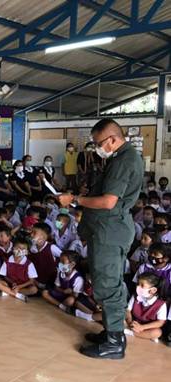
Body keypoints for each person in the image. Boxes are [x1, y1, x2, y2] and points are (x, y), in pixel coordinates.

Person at [58, 118, 143, 360]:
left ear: (112, 139)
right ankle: (110, 332)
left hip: (110, 230)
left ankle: (114, 343)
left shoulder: (124, 160)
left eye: (98, 143)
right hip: (106, 229)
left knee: (108, 285)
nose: (96, 148)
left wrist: (75, 199)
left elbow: (108, 202)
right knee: (106, 281)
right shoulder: (120, 157)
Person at [125, 272, 167, 342]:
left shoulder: (161, 304)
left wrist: (142, 327)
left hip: (148, 327)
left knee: (158, 332)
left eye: (142, 285)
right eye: (138, 284)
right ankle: (143, 334)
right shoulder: (135, 296)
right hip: (134, 323)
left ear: (153, 290)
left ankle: (131, 333)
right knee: (120, 318)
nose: (138, 287)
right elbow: (127, 310)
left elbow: (160, 322)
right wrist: (130, 323)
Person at [0, 237, 38, 301]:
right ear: (13, 249)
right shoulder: (7, 261)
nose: (20, 250)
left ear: (27, 251)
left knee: (34, 289)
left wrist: (19, 286)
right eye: (18, 248)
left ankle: (7, 292)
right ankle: (16, 295)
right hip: (10, 284)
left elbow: (32, 281)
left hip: (23, 286)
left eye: (23, 249)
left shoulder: (29, 264)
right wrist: (12, 283)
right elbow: (5, 276)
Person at [28, 222, 62, 288]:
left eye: (34, 233)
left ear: (43, 236)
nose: (31, 235)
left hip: (49, 282)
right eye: (31, 232)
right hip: (35, 280)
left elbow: (64, 257)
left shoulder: (52, 248)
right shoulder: (32, 248)